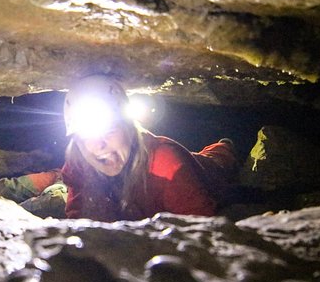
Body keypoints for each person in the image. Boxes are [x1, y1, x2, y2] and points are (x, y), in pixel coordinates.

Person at [61, 74, 240, 221]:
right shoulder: (79, 163)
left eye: (109, 131)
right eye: (86, 136)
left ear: (130, 127)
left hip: (210, 170)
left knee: (217, 159)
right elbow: (78, 219)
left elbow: (200, 227)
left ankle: (226, 145)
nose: (98, 145)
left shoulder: (167, 164)